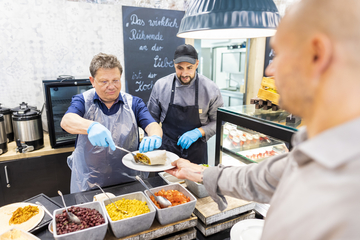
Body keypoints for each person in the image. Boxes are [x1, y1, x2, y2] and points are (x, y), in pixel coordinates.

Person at [165, 0, 360, 239]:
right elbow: (259, 178)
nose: (270, 70)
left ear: (318, 55)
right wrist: (199, 173)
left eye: (279, 54)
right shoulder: (320, 147)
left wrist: (200, 137)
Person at [61, 53, 162, 193]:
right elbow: (67, 121)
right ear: (92, 80)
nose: (111, 86)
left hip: (130, 182)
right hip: (89, 183)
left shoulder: (134, 103)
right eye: (104, 81)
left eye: (116, 80)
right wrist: (91, 126)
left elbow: (152, 125)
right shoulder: (83, 101)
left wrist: (154, 136)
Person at [147, 44, 223, 164]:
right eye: (179, 68)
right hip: (166, 151)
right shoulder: (161, 86)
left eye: (189, 67)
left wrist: (198, 132)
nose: (184, 73)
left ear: (197, 64)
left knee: (194, 182)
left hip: (196, 152)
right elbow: (151, 119)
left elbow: (219, 122)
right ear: (174, 64)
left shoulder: (210, 89)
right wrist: (152, 137)